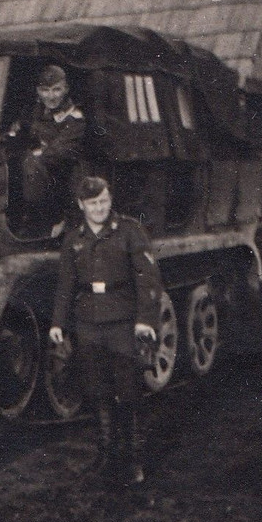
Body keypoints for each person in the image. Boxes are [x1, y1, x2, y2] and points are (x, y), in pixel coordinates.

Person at [49, 176, 161, 487]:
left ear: (110, 201)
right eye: (93, 203)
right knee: (97, 391)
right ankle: (107, 455)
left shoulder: (129, 232)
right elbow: (65, 286)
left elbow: (148, 279)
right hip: (88, 324)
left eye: (104, 201)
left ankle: (134, 460)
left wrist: (145, 320)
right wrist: (58, 323)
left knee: (129, 391)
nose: (100, 208)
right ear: (81, 205)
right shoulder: (74, 239)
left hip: (123, 321)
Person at [10, 65, 85, 233]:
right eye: (45, 90)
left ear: (65, 89)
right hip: (37, 179)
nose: (51, 96)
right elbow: (17, 133)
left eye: (56, 90)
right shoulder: (33, 113)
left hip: (64, 180)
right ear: (38, 91)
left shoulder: (74, 118)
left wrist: (34, 155)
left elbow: (58, 152)